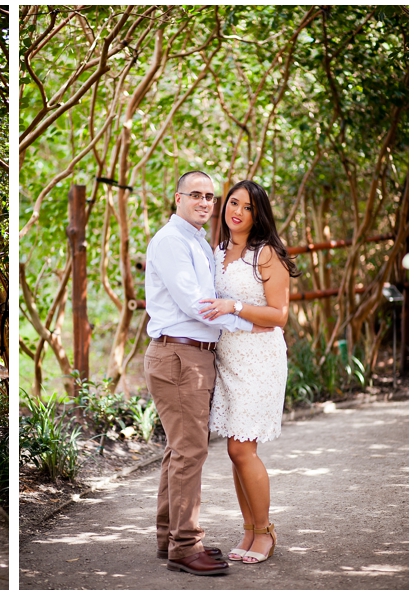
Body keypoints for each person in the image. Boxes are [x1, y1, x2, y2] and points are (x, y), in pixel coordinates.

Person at [143, 170, 273, 576]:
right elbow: (195, 304)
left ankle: (170, 539)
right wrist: (247, 323)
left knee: (178, 450)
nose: (204, 202)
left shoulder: (196, 242)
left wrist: (239, 319)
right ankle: (185, 546)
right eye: (195, 195)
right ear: (177, 198)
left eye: (210, 197)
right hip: (180, 356)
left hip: (190, 356)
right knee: (190, 452)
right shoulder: (171, 242)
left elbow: (211, 299)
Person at [200, 179, 299, 564]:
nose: (236, 211)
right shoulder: (219, 249)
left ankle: (265, 531)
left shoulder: (266, 253)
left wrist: (234, 307)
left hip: (260, 359)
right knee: (235, 450)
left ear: (258, 215)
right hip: (227, 358)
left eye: (247, 207)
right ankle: (249, 530)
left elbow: (279, 316)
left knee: (242, 448)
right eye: (233, 203)